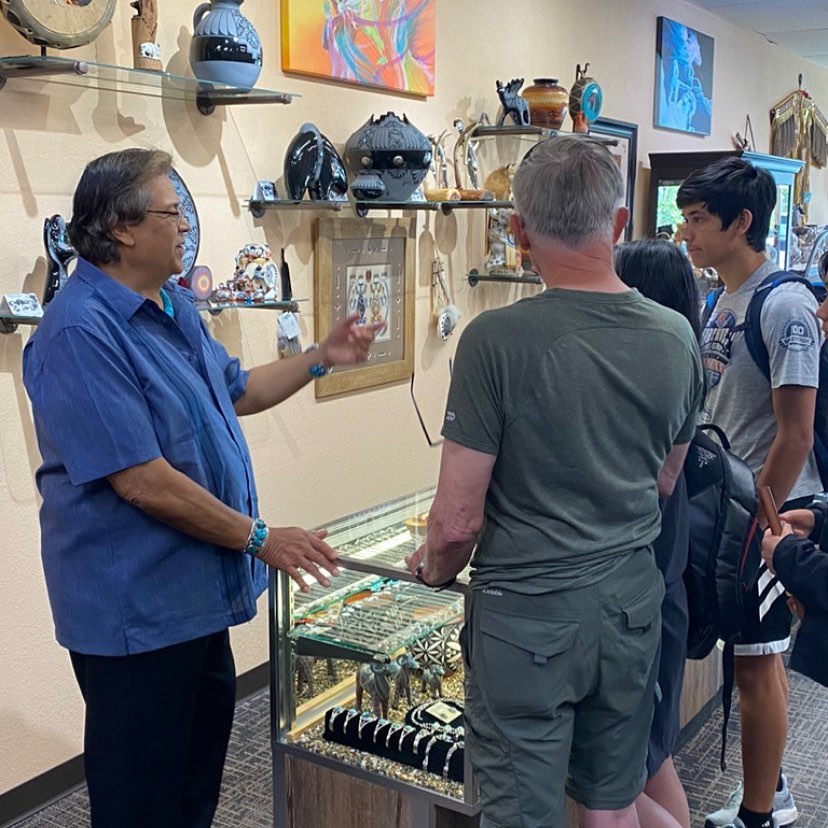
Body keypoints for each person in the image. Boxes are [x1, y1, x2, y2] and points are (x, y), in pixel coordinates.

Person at [22, 148, 380, 828]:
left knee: (192, 795)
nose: (186, 225)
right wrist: (261, 538)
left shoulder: (173, 306)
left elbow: (237, 390)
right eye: (172, 212)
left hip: (195, 602)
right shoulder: (78, 332)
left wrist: (321, 358)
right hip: (134, 619)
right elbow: (142, 481)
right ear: (122, 229)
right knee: (139, 807)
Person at [405, 136, 703, 828]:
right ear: (619, 224)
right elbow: (666, 480)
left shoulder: (494, 341)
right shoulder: (676, 336)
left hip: (528, 618)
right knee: (612, 806)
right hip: (630, 607)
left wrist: (433, 570)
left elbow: (457, 521)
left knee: (521, 815)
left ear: (518, 231)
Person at [677, 156, 821, 828]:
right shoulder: (721, 300)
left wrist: (756, 525)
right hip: (728, 506)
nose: (685, 232)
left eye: (697, 219)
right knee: (752, 657)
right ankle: (774, 785)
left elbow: (796, 432)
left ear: (741, 222)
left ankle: (760, 813)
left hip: (767, 513)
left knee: (757, 666)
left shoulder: (784, 305)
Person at [615, 239, 699, 828]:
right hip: (664, 594)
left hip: (643, 601)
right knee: (652, 760)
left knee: (628, 772)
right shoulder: (679, 367)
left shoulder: (649, 381)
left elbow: (653, 486)